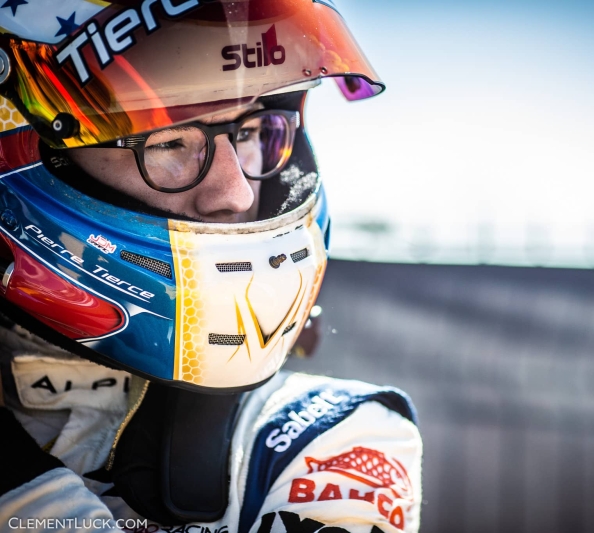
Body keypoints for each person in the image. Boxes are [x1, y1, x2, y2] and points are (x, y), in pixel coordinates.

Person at [0, 1, 421, 532]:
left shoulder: (325, 438)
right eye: (168, 140)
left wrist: (20, 493)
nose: (236, 193)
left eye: (249, 133)